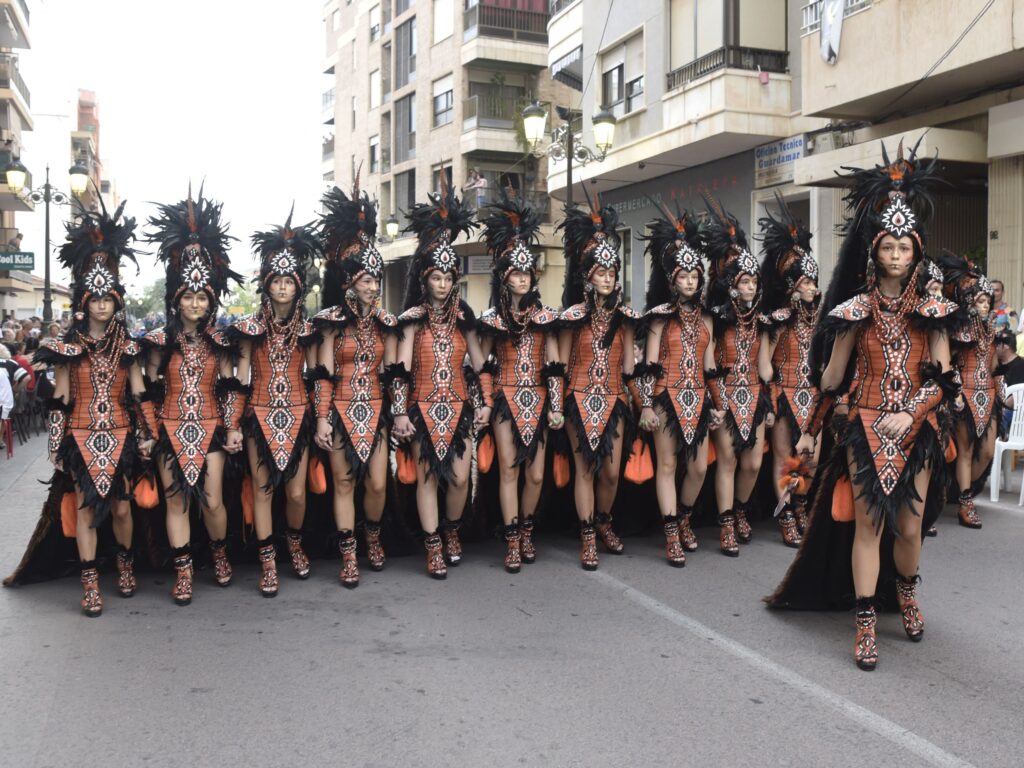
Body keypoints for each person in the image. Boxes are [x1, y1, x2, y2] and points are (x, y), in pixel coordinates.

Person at [768, 140, 958, 671]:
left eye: (904, 247)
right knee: (868, 525)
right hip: (865, 427)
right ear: (873, 252)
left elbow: (945, 378)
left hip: (914, 430)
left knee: (911, 526)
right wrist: (809, 429)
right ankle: (867, 621)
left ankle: (909, 594)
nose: (896, 256)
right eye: (887, 248)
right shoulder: (853, 312)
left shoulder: (932, 310)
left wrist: (912, 412)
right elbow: (832, 377)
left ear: (916, 250)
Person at [9, 199, 153, 615]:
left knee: (123, 508)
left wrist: (147, 436)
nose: (102, 305)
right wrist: (56, 446)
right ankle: (90, 583)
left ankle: (125, 565)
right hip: (81, 435)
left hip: (123, 434)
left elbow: (140, 394)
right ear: (84, 302)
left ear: (116, 302)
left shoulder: (128, 346)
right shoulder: (68, 349)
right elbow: (61, 399)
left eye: (109, 299)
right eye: (96, 299)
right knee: (88, 508)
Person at [142, 188, 243, 604]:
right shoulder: (157, 341)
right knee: (176, 502)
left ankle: (219, 556)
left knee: (214, 502)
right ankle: (183, 571)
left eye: (202, 297)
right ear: (176, 299)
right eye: (189, 296)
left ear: (211, 300)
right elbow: (145, 391)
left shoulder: (221, 341)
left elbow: (231, 386)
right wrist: (148, 432)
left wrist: (233, 427)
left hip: (212, 427)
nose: (195, 303)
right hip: (168, 426)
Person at [387, 174, 484, 579]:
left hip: (459, 407)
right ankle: (431, 546)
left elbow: (482, 366)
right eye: (436, 278)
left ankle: (451, 531)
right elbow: (399, 371)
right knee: (427, 478)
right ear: (424, 280)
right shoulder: (411, 320)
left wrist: (486, 404)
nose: (442, 284)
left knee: (460, 478)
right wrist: (399, 414)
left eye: (448, 278)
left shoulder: (465, 319)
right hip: (422, 409)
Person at [231, 211, 321, 597]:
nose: (282, 288)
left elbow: (319, 379)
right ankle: (268, 563)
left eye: (289, 282)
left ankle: (295, 542)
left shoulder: (310, 330)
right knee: (264, 489)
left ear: (298, 287)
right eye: (277, 282)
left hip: (300, 415)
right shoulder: (250, 330)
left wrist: (321, 421)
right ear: (266, 286)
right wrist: (233, 424)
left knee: (297, 493)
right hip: (259, 416)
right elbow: (240, 380)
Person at [312, 182, 397, 587]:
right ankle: (349, 554)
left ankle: (373, 538)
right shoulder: (329, 321)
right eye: (365, 280)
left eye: (375, 280)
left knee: (378, 482)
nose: (371, 287)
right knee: (344, 482)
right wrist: (322, 420)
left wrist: (396, 415)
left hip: (376, 409)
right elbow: (323, 374)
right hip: (340, 410)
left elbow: (395, 372)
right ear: (349, 283)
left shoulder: (387, 323)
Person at [476, 190, 562, 572]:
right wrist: (485, 399)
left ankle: (526, 528)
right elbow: (480, 363)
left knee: (537, 472)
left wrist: (557, 406)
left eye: (527, 273)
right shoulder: (493, 319)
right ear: (504, 277)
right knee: (509, 469)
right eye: (516, 273)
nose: (523, 279)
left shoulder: (547, 318)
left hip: (541, 400)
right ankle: (511, 539)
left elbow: (555, 363)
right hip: (505, 400)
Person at [558, 194, 641, 570]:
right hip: (577, 397)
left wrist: (645, 402)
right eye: (601, 272)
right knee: (585, 470)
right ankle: (587, 535)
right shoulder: (573, 316)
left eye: (612, 273)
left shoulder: (625, 317)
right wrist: (557, 406)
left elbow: (629, 369)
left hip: (613, 399)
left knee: (610, 470)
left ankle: (604, 521)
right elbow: (559, 364)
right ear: (587, 276)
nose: (608, 278)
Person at [635, 204, 715, 566]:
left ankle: (684, 518)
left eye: (694, 276)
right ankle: (671, 534)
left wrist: (721, 404)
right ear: (673, 281)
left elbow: (710, 366)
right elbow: (648, 366)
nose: (689, 282)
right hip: (665, 397)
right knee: (667, 466)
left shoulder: (708, 320)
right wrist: (647, 405)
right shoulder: (658, 318)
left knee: (698, 468)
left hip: (699, 399)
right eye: (683, 276)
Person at [703, 198, 773, 557]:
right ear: (732, 285)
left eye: (753, 281)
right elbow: (708, 360)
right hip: (724, 395)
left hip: (755, 396)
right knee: (728, 461)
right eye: (744, 282)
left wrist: (771, 402)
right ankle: (726, 522)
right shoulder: (715, 317)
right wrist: (719, 400)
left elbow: (765, 368)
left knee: (754, 461)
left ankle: (742, 509)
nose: (750, 287)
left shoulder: (762, 321)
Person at [759, 195, 820, 547]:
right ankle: (785, 514)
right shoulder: (778, 319)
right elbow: (766, 364)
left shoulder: (822, 319)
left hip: (812, 394)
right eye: (806, 283)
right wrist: (769, 396)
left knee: (808, 456)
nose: (812, 287)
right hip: (784, 393)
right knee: (785, 457)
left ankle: (801, 507)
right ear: (793, 287)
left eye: (813, 282)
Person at [935, 251, 1000, 529]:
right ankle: (964, 502)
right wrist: (955, 390)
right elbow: (947, 359)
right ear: (970, 302)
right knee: (964, 450)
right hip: (966, 394)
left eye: (988, 301)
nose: (985, 305)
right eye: (980, 300)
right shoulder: (960, 329)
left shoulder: (992, 329)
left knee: (986, 451)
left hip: (990, 395)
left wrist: (1001, 384)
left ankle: (959, 491)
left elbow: (994, 362)